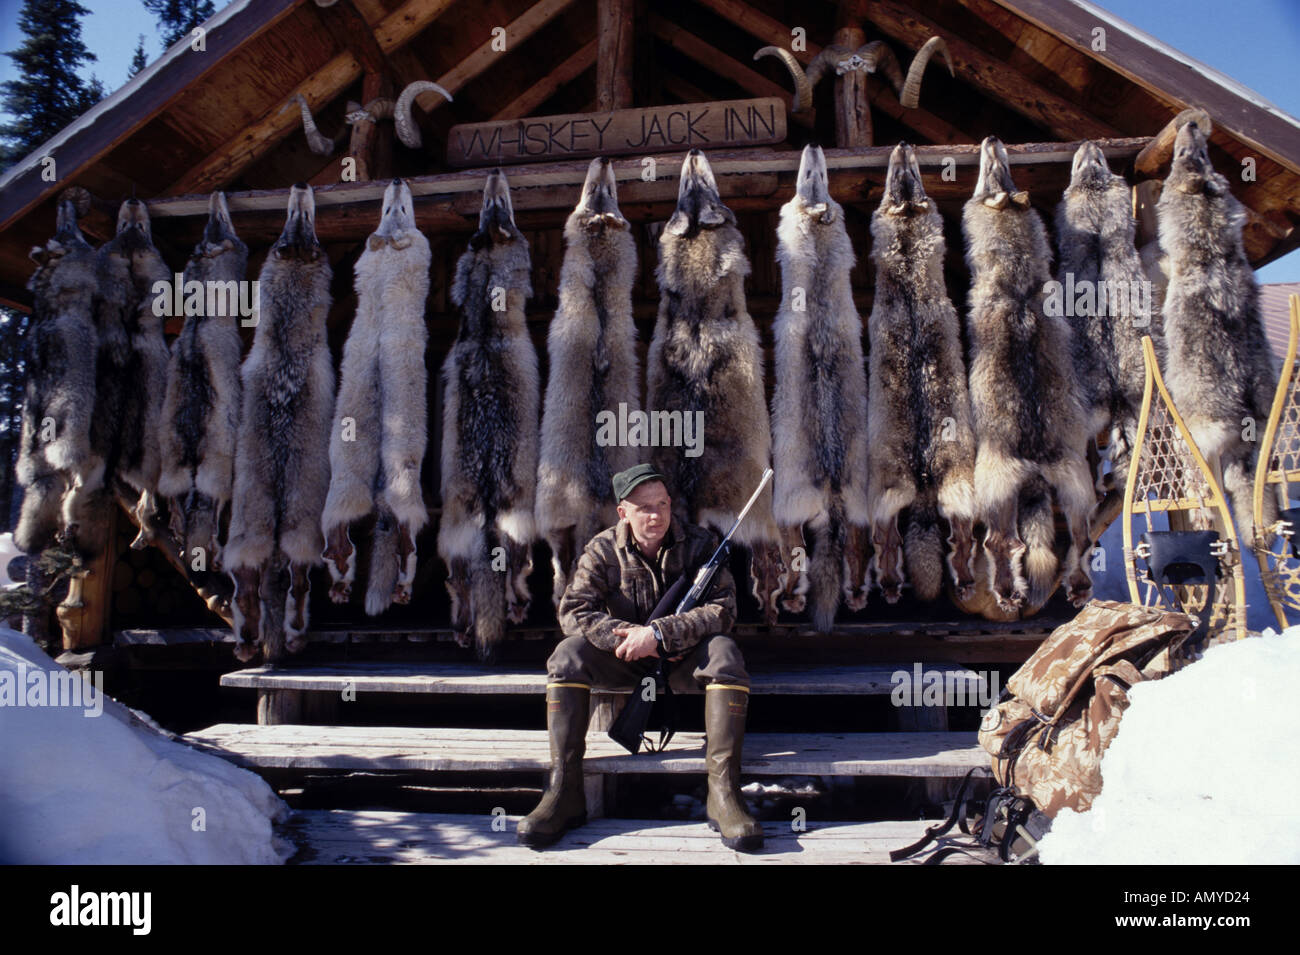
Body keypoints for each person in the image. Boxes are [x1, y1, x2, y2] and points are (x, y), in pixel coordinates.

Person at [517, 464, 763, 852]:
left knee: (725, 654)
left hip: (681, 659)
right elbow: (573, 611)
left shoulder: (701, 546)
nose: (656, 515)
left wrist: (660, 635)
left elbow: (724, 611)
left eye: (663, 504)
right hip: (622, 659)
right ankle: (563, 792)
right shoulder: (601, 549)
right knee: (566, 656)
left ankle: (723, 794)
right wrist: (628, 639)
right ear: (623, 513)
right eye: (644, 507)